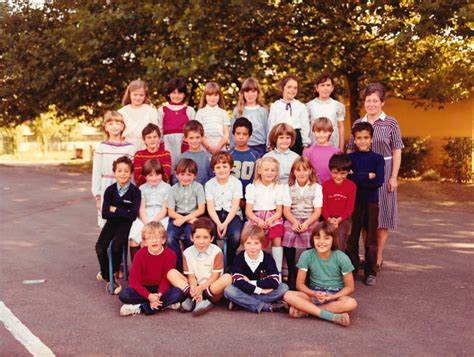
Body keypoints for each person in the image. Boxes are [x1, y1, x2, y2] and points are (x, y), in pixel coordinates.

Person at [347, 83, 404, 268]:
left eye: (375, 100)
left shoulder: (391, 122)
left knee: (382, 216)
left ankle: (378, 257)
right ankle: (367, 255)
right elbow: (349, 150)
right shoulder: (358, 123)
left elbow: (397, 150)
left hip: (384, 170)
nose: (371, 104)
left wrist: (394, 176)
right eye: (368, 100)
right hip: (362, 173)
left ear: (382, 102)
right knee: (364, 215)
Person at [283, 222, 357, 327]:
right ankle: (332, 316)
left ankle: (306, 310)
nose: (321, 242)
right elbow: (299, 284)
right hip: (314, 294)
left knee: (351, 303)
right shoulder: (307, 255)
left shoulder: (342, 257)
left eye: (326, 238)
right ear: (313, 239)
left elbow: (350, 287)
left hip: (335, 295)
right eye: (317, 238)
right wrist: (313, 294)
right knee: (288, 295)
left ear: (333, 240)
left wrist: (333, 296)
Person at [167, 218, 232, 316]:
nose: (201, 241)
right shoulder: (187, 253)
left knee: (227, 277)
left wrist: (201, 288)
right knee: (171, 273)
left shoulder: (217, 252)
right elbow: (191, 277)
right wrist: (194, 289)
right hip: (195, 287)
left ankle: (200, 300)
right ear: (191, 238)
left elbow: (215, 276)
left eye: (205, 237)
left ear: (212, 238)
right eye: (197, 237)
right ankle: (196, 299)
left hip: (211, 289)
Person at [95, 156, 141, 294]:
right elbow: (105, 213)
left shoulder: (135, 192)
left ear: (131, 173)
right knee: (100, 247)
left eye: (126, 171)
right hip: (111, 223)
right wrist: (124, 211)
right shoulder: (109, 190)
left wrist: (116, 209)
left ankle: (113, 271)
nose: (122, 174)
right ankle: (107, 274)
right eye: (119, 170)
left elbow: (132, 215)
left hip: (126, 225)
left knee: (116, 246)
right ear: (114, 172)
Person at [347, 122, 385, 286]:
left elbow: (378, 181)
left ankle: (371, 271)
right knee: (352, 238)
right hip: (353, 203)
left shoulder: (377, 159)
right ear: (354, 140)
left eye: (366, 138)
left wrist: (357, 177)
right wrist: (366, 176)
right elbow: (347, 179)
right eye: (359, 138)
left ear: (371, 139)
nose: (362, 141)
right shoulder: (349, 158)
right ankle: (353, 268)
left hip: (371, 203)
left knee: (370, 239)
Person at [119, 222, 184, 316]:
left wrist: (159, 294)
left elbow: (166, 279)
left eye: (157, 237)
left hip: (161, 289)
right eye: (150, 238)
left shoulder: (171, 255)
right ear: (145, 242)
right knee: (124, 294)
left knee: (178, 293)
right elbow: (133, 281)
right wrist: (149, 296)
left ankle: (140, 307)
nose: (154, 241)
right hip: (143, 288)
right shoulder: (140, 255)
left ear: (163, 240)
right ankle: (163, 305)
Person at [224, 225, 289, 313]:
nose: (252, 247)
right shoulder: (239, 258)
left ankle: (242, 303)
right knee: (229, 290)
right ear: (243, 244)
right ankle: (266, 306)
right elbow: (238, 281)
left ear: (262, 244)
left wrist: (250, 282)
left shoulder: (268, 258)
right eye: (249, 243)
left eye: (256, 243)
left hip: (247, 291)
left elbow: (274, 281)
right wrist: (260, 291)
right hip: (252, 291)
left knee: (284, 288)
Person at [282, 157, 323, 289]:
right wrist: (294, 222)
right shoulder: (288, 188)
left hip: (310, 218)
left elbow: (317, 211)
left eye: (305, 170)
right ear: (293, 172)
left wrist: (306, 224)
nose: (302, 173)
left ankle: (308, 272)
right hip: (293, 217)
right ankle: (292, 272)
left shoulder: (316, 187)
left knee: (312, 237)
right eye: (298, 170)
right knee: (288, 234)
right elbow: (286, 210)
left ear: (310, 170)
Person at [91, 111, 135, 227]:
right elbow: (96, 173)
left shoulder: (130, 148)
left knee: (123, 222)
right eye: (110, 123)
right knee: (107, 224)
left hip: (124, 187)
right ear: (105, 127)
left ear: (122, 126)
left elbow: (132, 173)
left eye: (117, 123)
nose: (114, 126)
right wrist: (97, 196)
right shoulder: (101, 147)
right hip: (106, 186)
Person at [245, 156, 284, 277]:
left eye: (273, 170)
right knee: (255, 239)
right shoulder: (252, 188)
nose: (270, 173)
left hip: (273, 217)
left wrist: (271, 219)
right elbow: (248, 211)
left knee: (277, 236)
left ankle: (277, 272)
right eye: (266, 170)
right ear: (259, 171)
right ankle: (257, 269)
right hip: (256, 217)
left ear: (277, 172)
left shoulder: (278, 188)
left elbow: (279, 211)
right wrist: (258, 221)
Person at [205, 152, 243, 270]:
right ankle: (217, 258)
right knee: (208, 234)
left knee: (236, 236)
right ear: (213, 170)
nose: (221, 170)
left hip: (231, 214)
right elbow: (210, 207)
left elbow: (235, 206)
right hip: (214, 214)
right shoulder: (209, 184)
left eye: (225, 166)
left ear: (231, 167)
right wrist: (218, 223)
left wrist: (225, 223)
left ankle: (229, 262)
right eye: (218, 167)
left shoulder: (236, 183)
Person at [166, 158, 206, 272]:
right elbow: (171, 212)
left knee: (191, 237)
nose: (185, 178)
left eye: (189, 174)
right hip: (177, 216)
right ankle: (179, 265)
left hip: (193, 216)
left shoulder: (198, 187)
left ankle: (191, 265)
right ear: (176, 175)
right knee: (170, 237)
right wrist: (183, 219)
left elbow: (201, 209)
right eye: (182, 174)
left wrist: (187, 219)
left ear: (195, 175)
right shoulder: (173, 189)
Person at [128, 159, 171, 262]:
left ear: (162, 174)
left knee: (159, 235)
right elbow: (141, 209)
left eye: (157, 174)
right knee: (134, 238)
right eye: (150, 175)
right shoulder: (142, 188)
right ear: (145, 176)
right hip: (145, 217)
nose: (154, 178)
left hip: (161, 217)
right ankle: (137, 267)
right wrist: (147, 223)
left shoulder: (167, 188)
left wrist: (155, 222)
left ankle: (159, 265)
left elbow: (165, 209)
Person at [157, 78, 196, 165]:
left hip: (184, 143)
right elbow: (159, 129)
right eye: (174, 93)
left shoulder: (189, 110)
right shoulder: (162, 110)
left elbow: (193, 130)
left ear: (184, 94)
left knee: (183, 166)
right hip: (167, 144)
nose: (177, 96)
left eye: (180, 93)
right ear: (168, 94)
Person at [321, 154, 356, 252]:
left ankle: (338, 261)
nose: (338, 176)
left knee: (340, 237)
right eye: (335, 173)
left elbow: (349, 208)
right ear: (330, 171)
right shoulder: (325, 186)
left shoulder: (351, 186)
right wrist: (329, 219)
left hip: (344, 219)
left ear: (348, 172)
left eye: (343, 173)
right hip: (328, 218)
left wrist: (339, 220)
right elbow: (324, 206)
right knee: (325, 237)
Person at [267, 75, 310, 155]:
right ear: (282, 88)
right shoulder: (275, 106)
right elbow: (271, 125)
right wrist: (269, 144)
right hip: (280, 137)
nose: (292, 90)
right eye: (289, 87)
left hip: (296, 140)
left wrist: (305, 144)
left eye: (295, 88)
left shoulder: (301, 106)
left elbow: (305, 127)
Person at [306, 74, 346, 150]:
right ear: (317, 88)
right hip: (314, 145)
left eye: (328, 85)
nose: (325, 88)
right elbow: (306, 128)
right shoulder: (309, 106)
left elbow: (341, 127)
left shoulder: (338, 106)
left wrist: (341, 148)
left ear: (332, 88)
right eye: (322, 85)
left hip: (333, 146)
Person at [230, 77, 268, 157]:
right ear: (242, 93)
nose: (250, 94)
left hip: (259, 147)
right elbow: (232, 132)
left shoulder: (263, 110)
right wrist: (232, 148)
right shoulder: (237, 111)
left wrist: (268, 146)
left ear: (258, 93)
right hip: (241, 147)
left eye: (253, 91)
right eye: (247, 91)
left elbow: (267, 130)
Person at [118, 79, 159, 151]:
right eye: (135, 94)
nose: (138, 97)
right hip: (127, 145)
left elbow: (156, 131)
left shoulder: (151, 111)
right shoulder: (122, 112)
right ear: (129, 94)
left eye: (141, 95)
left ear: (145, 96)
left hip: (146, 146)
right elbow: (118, 132)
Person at [228, 117, 260, 203]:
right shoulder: (228, 155)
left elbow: (258, 179)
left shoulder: (256, 155)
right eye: (238, 133)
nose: (241, 137)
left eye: (244, 134)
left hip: (250, 199)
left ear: (249, 135)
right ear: (233, 134)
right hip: (230, 199)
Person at [172, 120, 213, 186]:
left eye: (197, 137)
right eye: (191, 138)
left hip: (203, 194)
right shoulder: (180, 159)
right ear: (185, 138)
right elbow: (175, 182)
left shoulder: (208, 158)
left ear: (202, 137)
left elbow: (212, 180)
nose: (195, 141)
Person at [195, 82, 230, 154]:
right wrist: (208, 147)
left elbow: (226, 134)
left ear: (219, 96)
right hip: (204, 149)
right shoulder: (200, 113)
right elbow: (199, 133)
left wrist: (218, 147)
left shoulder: (223, 113)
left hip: (220, 149)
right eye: (210, 95)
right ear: (205, 96)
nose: (212, 98)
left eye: (215, 95)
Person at [303, 117, 341, 184]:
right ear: (313, 131)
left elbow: (340, 172)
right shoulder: (307, 152)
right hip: (314, 187)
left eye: (325, 131)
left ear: (330, 132)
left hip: (332, 186)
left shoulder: (337, 152)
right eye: (318, 131)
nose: (321, 134)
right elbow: (305, 171)